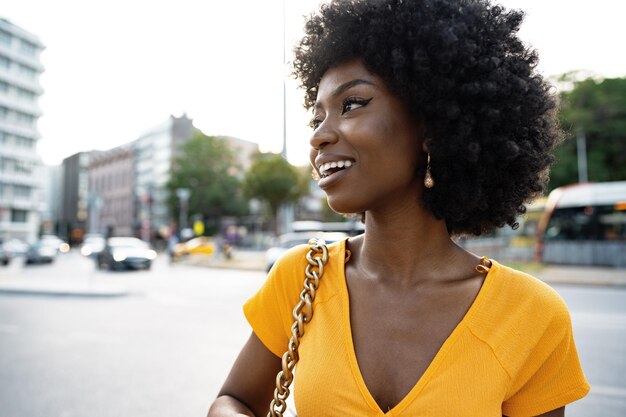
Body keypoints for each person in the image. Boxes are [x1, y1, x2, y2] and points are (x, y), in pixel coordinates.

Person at [208, 0, 590, 416]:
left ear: (431, 125)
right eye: (317, 117)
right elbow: (234, 400)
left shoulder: (531, 314)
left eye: (352, 104)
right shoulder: (302, 276)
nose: (319, 136)